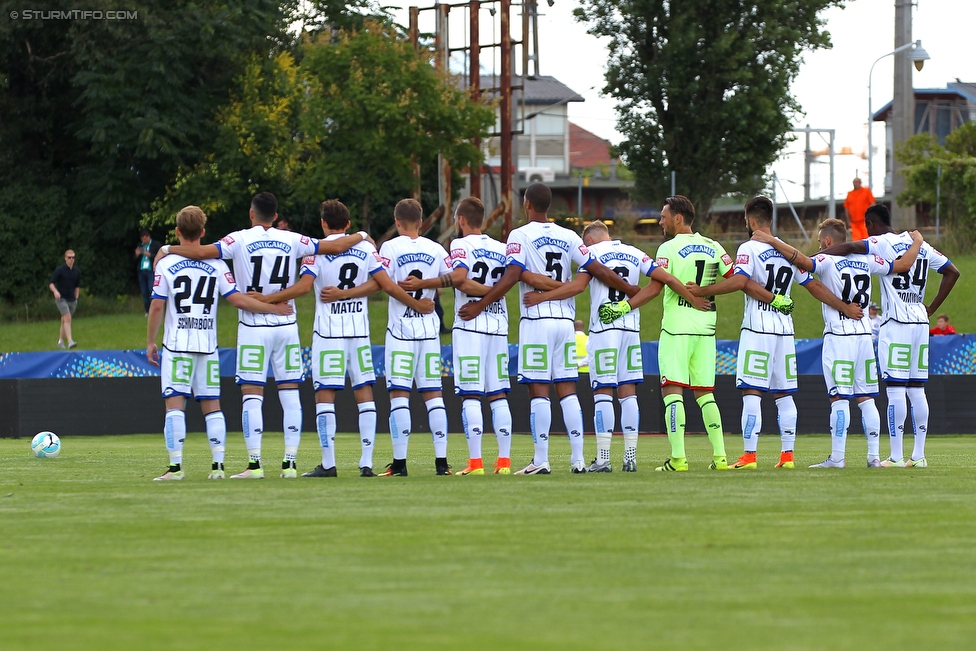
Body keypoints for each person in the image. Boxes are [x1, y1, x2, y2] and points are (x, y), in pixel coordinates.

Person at [156, 191, 369, 479]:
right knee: (290, 394)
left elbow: (202, 252)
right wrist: (362, 235)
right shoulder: (292, 238)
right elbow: (334, 247)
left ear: (251, 213)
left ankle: (254, 465)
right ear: (276, 215)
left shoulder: (238, 239)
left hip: (254, 325)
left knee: (252, 395)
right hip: (286, 325)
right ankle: (290, 463)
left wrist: (167, 249)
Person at [459, 182, 641, 475]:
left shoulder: (519, 235)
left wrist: (480, 305)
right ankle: (578, 460)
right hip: (566, 323)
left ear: (527, 204)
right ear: (549, 205)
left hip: (536, 320)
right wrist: (629, 287)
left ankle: (541, 460)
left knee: (539, 392)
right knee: (568, 391)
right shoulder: (569, 236)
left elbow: (512, 276)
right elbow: (599, 270)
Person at [254, 199, 433, 478]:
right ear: (348, 224)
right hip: (358, 331)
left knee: (325, 394)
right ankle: (366, 463)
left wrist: (268, 299)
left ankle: (329, 463)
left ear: (323, 223)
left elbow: (302, 286)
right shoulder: (366, 247)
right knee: (365, 393)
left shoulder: (316, 249)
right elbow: (380, 282)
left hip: (328, 332)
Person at [600, 195, 777, 472]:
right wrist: (708, 292)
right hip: (706, 328)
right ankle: (720, 457)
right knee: (706, 394)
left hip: (676, 328)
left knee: (673, 393)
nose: (660, 221)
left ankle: (678, 459)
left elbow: (656, 288)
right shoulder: (714, 246)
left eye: (663, 216)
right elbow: (737, 280)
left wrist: (623, 307)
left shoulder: (668, 249)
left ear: (677, 218)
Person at [689, 197, 863, 470]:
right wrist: (844, 307)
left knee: (751, 392)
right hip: (784, 330)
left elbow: (741, 281)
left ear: (751, 221)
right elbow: (813, 286)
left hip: (758, 327)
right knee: (784, 395)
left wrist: (702, 291)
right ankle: (787, 456)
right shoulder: (786, 250)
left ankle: (749, 456)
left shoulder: (749, 247)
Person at [524, 219, 706, 472]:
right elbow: (660, 282)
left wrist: (543, 296)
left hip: (604, 327)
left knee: (603, 392)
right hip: (630, 329)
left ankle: (603, 458)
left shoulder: (592, 254)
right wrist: (691, 298)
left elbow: (577, 287)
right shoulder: (635, 253)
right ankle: (630, 457)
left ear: (588, 241)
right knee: (628, 392)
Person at [754, 219, 922, 468]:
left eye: (821, 241)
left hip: (839, 336)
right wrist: (917, 241)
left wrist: (771, 240)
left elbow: (802, 261)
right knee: (866, 398)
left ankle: (837, 457)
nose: (819, 245)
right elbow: (904, 265)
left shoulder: (826, 260)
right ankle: (873, 457)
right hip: (865, 336)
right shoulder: (868, 260)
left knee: (839, 399)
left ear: (829, 241)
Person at [147, 206, 294, 480]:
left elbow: (157, 306)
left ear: (177, 232)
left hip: (177, 344)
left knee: (175, 404)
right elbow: (238, 299)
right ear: (202, 232)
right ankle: (218, 466)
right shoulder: (216, 264)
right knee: (212, 404)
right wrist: (273, 308)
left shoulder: (165, 264)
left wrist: (150, 342)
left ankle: (176, 468)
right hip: (207, 345)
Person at [819, 204, 960, 468]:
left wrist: (821, 254)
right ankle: (918, 456)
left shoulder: (879, 242)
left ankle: (895, 456)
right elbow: (953, 272)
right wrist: (930, 308)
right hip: (919, 320)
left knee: (896, 390)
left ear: (871, 224)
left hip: (896, 322)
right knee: (918, 390)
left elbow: (849, 248)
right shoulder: (922, 245)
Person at [403, 197, 514, 475]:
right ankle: (504, 462)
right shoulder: (501, 248)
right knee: (498, 394)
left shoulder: (459, 244)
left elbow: (460, 279)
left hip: (470, 323)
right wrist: (491, 298)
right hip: (499, 324)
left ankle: (475, 463)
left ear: (461, 220)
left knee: (471, 394)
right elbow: (507, 283)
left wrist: (478, 302)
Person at [369, 198, 454, 477]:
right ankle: (442, 464)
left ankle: (400, 464)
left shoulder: (390, 247)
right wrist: (429, 290)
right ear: (421, 222)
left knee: (399, 396)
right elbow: (454, 277)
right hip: (429, 331)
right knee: (434, 396)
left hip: (401, 331)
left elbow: (387, 285)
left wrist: (415, 302)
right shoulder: (436, 248)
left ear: (396, 222)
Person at [49, 249, 81, 349]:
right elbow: (51, 283)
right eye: (69, 257)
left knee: (65, 320)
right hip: (61, 299)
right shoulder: (60, 270)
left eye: (73, 257)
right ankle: (70, 341)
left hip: (72, 299)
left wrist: (76, 296)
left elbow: (77, 286)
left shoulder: (77, 271)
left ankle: (61, 341)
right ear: (65, 258)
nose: (71, 259)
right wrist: (55, 291)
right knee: (67, 318)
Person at [135, 229, 162, 315]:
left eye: (145, 239)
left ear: (148, 237)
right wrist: (137, 254)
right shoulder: (140, 245)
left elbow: (159, 256)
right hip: (142, 271)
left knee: (151, 290)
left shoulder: (155, 244)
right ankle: (147, 311)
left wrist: (148, 254)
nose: (144, 241)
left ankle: (154, 309)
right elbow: (134, 260)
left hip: (151, 271)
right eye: (142, 239)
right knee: (144, 292)